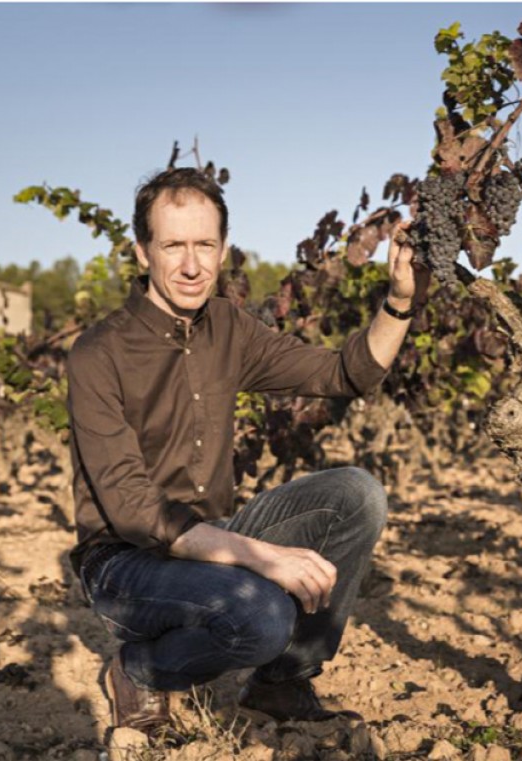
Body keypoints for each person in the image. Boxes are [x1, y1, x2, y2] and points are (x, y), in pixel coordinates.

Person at [66, 167, 424, 735]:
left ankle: (281, 682)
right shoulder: (98, 353)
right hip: (124, 562)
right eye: (173, 246)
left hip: (211, 538)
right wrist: (262, 557)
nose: (192, 265)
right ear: (142, 252)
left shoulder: (229, 328)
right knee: (262, 613)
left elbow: (344, 374)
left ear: (224, 248)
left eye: (205, 245)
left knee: (356, 494)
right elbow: (133, 508)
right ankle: (140, 670)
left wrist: (400, 300)